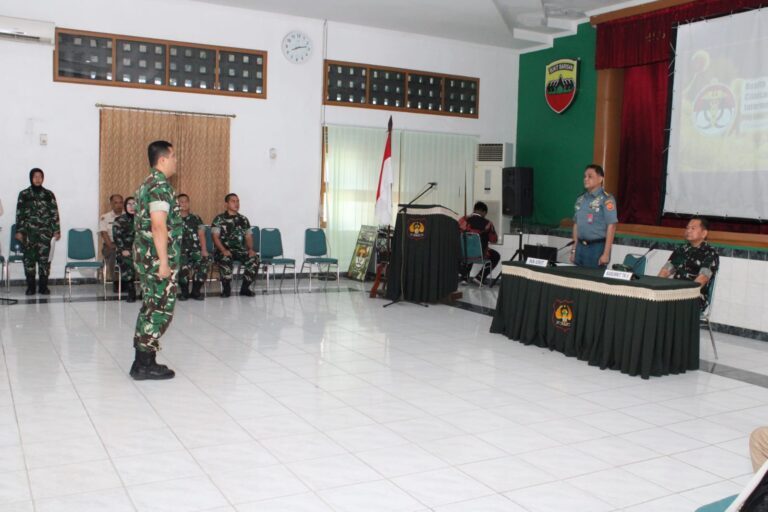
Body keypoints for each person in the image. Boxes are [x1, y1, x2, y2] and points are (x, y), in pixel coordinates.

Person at [129, 141, 181, 380]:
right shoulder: (159, 186)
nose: (175, 161)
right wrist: (163, 262)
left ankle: (143, 360)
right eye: (173, 156)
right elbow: (158, 225)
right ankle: (143, 364)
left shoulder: (145, 184)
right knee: (159, 310)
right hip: (155, 260)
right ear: (163, 159)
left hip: (147, 257)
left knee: (152, 307)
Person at [15, 168, 61, 295]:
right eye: (35, 176)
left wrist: (56, 230)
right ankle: (30, 287)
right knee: (29, 261)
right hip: (28, 235)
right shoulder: (24, 194)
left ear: (43, 178)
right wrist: (19, 231)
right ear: (31, 178)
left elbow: (54, 213)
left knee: (44, 262)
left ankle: (43, 287)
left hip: (45, 235)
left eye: (40, 176)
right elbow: (19, 214)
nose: (37, 179)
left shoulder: (49, 194)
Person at [658, 216, 719, 309]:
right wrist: (655, 287)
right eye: (687, 228)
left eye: (693, 228)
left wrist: (681, 294)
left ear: (704, 233)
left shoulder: (710, 253)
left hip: (694, 297)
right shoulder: (682, 249)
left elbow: (702, 280)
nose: (688, 231)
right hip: (675, 293)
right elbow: (666, 271)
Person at [570, 164, 618, 268]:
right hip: (580, 248)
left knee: (593, 283)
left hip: (597, 248)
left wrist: (606, 253)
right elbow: (576, 225)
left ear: (600, 179)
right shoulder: (580, 199)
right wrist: (574, 249)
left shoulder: (607, 199)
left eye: (590, 176)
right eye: (584, 176)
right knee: (577, 282)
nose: (586, 179)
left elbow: (612, 226)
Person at [211, 193, 258, 297]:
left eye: (237, 201)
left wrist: (250, 249)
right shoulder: (219, 219)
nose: (236, 204)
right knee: (225, 258)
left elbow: (248, 236)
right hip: (223, 249)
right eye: (233, 201)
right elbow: (215, 237)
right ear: (226, 204)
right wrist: (223, 250)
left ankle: (245, 288)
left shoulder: (244, 219)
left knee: (254, 258)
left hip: (239, 250)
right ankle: (226, 288)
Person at [177, 193, 209, 301]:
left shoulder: (196, 218)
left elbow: (201, 234)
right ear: (177, 204)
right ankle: (184, 292)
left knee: (204, 261)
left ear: (189, 203)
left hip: (195, 249)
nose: (184, 204)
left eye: (186, 201)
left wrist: (204, 250)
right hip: (179, 251)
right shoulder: (172, 219)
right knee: (182, 264)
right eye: (181, 201)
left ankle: (196, 291)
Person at [459, 201, 500, 283]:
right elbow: (494, 240)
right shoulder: (488, 224)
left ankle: (464, 277)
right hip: (480, 254)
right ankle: (479, 277)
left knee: (469, 249)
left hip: (464, 253)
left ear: (474, 209)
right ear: (484, 212)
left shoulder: (463, 220)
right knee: (495, 256)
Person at [112, 196, 137, 303]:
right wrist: (123, 249)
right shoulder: (119, 220)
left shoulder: (143, 220)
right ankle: (131, 291)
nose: (131, 207)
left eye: (134, 204)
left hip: (141, 250)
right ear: (125, 206)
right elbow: (117, 238)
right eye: (129, 204)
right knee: (127, 261)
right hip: (125, 250)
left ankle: (147, 291)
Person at [99, 194, 124, 290]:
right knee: (114, 253)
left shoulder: (128, 216)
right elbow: (104, 233)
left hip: (125, 245)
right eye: (116, 203)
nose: (119, 205)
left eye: (121, 202)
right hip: (110, 246)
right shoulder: (105, 217)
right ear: (111, 204)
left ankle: (129, 281)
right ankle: (117, 281)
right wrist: (112, 245)